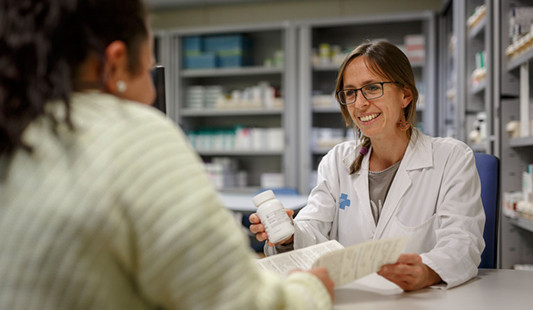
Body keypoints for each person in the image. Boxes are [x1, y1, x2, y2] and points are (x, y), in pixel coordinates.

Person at [0, 0, 334, 308]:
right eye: (148, 68)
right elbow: (238, 302)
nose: (151, 90)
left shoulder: (17, 129)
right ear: (114, 63)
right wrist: (312, 288)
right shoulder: (130, 134)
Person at [250, 40, 485, 291]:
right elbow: (313, 228)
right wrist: (289, 235)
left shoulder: (451, 158)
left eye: (372, 88)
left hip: (420, 301)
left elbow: (463, 242)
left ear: (405, 95)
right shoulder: (336, 162)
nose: (359, 104)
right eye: (350, 92)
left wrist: (427, 270)